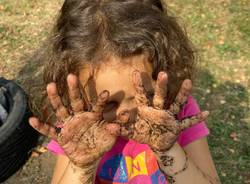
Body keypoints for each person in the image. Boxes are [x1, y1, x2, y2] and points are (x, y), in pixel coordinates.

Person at [28, 0, 221, 183]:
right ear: (78, 93)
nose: (128, 113)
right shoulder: (79, 131)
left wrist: (169, 150)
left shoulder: (175, 115)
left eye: (147, 96)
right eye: (109, 103)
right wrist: (82, 166)